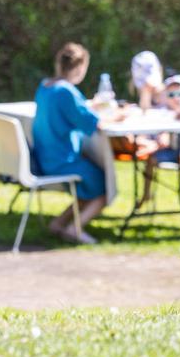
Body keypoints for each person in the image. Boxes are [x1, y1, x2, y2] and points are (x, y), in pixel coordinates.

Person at [32, 43, 122, 244]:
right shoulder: (66, 91)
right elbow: (94, 123)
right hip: (62, 160)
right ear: (81, 67)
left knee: (89, 184)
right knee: (104, 187)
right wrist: (120, 115)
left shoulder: (45, 86)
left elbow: (75, 111)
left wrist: (92, 105)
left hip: (44, 157)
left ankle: (58, 224)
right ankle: (75, 228)